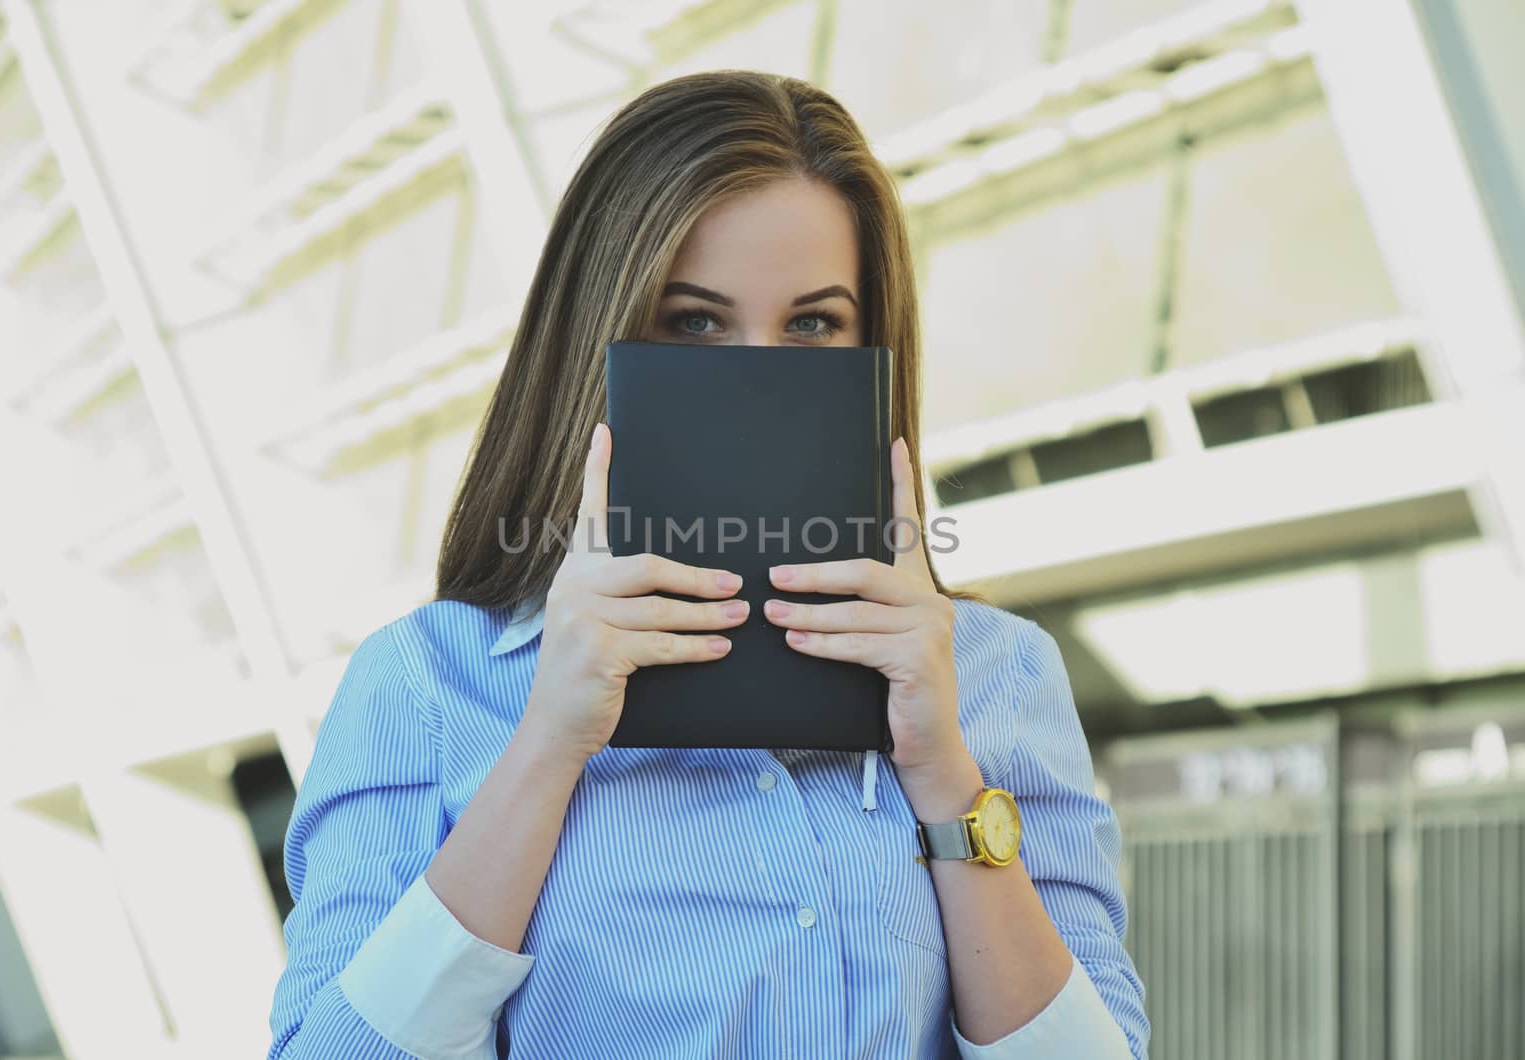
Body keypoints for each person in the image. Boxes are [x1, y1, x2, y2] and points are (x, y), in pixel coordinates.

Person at [266, 69, 1148, 1059]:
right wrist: (548, 743)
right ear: (597, 340)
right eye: (691, 322)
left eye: (813, 324)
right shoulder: (424, 685)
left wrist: (942, 774)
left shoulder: (999, 674)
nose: (755, 375)